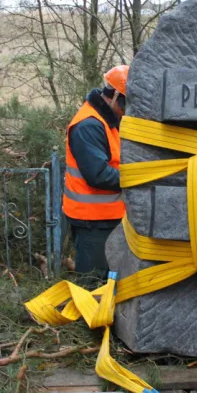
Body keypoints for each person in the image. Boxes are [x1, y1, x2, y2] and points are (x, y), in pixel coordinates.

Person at [63, 65, 128, 282]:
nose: (127, 111)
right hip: (92, 222)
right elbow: (99, 175)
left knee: (107, 282)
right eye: (126, 104)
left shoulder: (108, 121)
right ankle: (84, 317)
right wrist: (139, 177)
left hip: (107, 219)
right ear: (114, 96)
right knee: (93, 283)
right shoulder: (88, 126)